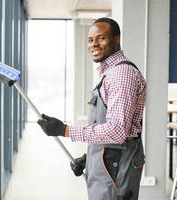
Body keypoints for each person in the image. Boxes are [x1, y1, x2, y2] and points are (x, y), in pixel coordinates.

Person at [37, 17, 146, 200]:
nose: (94, 44)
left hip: (116, 166)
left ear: (116, 39)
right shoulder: (110, 72)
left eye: (101, 38)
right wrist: (90, 158)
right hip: (109, 162)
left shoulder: (121, 74)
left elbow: (118, 131)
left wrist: (65, 130)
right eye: (90, 39)